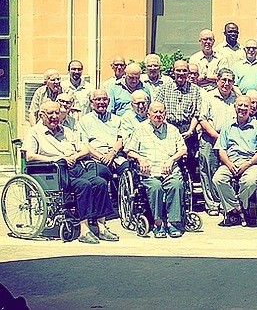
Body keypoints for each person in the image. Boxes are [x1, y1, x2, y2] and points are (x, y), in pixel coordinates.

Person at [23, 101, 117, 244]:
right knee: (83, 185)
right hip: (54, 171)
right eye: (50, 113)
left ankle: (102, 227)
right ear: (41, 115)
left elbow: (85, 149)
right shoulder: (34, 132)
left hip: (75, 166)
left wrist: (74, 157)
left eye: (57, 113)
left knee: (100, 183)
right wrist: (57, 159)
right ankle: (84, 230)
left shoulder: (66, 130)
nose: (55, 116)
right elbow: (29, 156)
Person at [125, 101, 186, 238]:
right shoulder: (140, 129)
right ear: (148, 114)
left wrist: (171, 160)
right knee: (156, 187)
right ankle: (158, 223)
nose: (158, 115)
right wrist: (140, 158)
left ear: (165, 114)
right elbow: (128, 150)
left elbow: (183, 149)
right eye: (155, 112)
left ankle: (173, 222)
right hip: (149, 172)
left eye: (161, 112)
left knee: (176, 184)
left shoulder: (173, 130)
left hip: (170, 171)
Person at [212, 95, 257, 227]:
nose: (242, 108)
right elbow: (221, 149)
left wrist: (248, 164)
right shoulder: (227, 126)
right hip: (230, 162)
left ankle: (235, 208)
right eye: (240, 105)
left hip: (251, 162)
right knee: (218, 179)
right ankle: (239, 209)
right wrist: (229, 164)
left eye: (246, 106)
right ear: (235, 107)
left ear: (251, 108)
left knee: (250, 181)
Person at [198, 69, 238, 214]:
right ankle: (212, 204)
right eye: (223, 80)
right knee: (208, 171)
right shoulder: (208, 97)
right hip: (210, 137)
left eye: (230, 81)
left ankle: (225, 202)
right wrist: (217, 136)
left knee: (226, 172)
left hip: (231, 140)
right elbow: (202, 119)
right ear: (217, 81)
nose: (226, 83)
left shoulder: (236, 99)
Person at [155, 60, 202, 179]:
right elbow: (157, 108)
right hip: (169, 126)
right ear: (173, 72)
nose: (181, 73)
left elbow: (197, 114)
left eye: (184, 71)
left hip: (188, 127)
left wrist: (190, 130)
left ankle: (189, 181)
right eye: (178, 70)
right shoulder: (164, 88)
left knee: (190, 158)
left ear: (188, 73)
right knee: (169, 154)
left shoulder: (195, 90)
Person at [79, 89, 129, 180]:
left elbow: (120, 139)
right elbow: (85, 144)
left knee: (129, 169)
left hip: (116, 156)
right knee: (103, 172)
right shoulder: (84, 120)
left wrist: (112, 154)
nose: (101, 102)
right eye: (98, 99)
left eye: (104, 99)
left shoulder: (117, 119)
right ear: (91, 102)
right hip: (96, 159)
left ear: (109, 101)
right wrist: (102, 157)